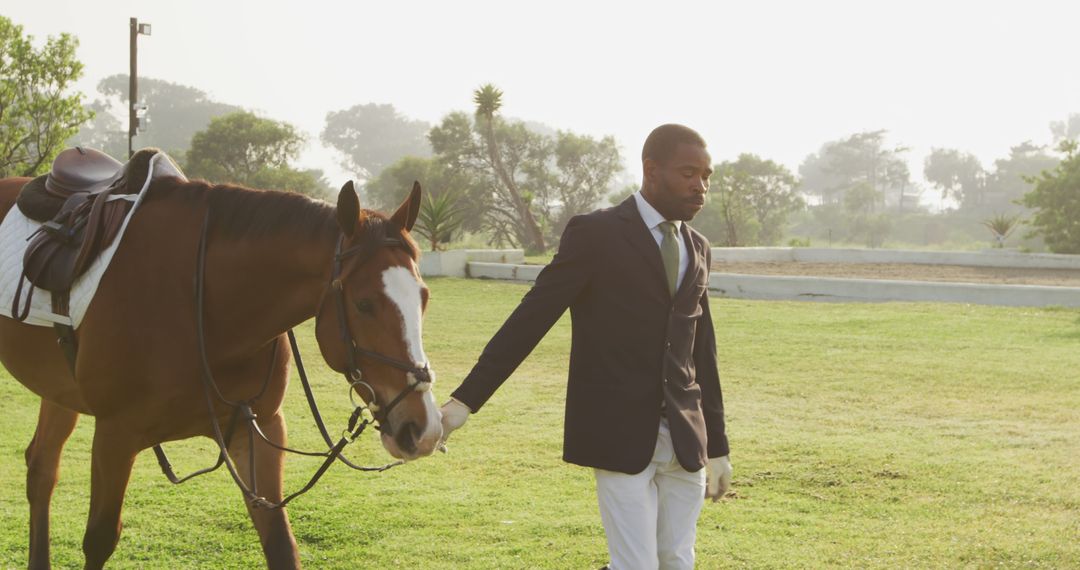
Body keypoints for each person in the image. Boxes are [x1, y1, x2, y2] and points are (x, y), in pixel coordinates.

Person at [440, 123, 732, 570]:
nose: (701, 186)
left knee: (676, 561)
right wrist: (464, 402)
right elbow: (531, 319)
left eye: (707, 176)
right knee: (635, 566)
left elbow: (702, 351)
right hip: (618, 432)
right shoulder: (596, 234)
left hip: (686, 437)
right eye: (689, 173)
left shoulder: (699, 248)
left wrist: (718, 445)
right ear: (651, 170)